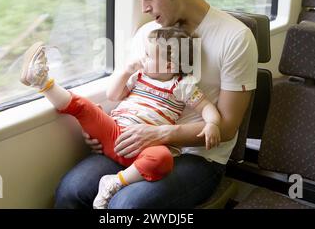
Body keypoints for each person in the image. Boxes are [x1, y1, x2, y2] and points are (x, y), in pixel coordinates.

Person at [54, 0, 258, 208]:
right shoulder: (148, 34)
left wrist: (160, 134)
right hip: (137, 144)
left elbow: (228, 127)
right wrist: (103, 130)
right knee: (71, 189)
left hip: (199, 157)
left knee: (126, 206)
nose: (145, 9)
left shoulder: (235, 37)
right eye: (140, 0)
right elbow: (127, 95)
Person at [20, 26, 222, 209]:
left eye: (148, 55)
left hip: (143, 147)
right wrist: (126, 70)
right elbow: (113, 95)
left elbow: (206, 108)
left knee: (163, 159)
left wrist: (212, 123)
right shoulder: (139, 77)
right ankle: (43, 82)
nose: (142, 58)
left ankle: (115, 182)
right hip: (113, 131)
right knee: (84, 107)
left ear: (169, 67)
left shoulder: (182, 86)